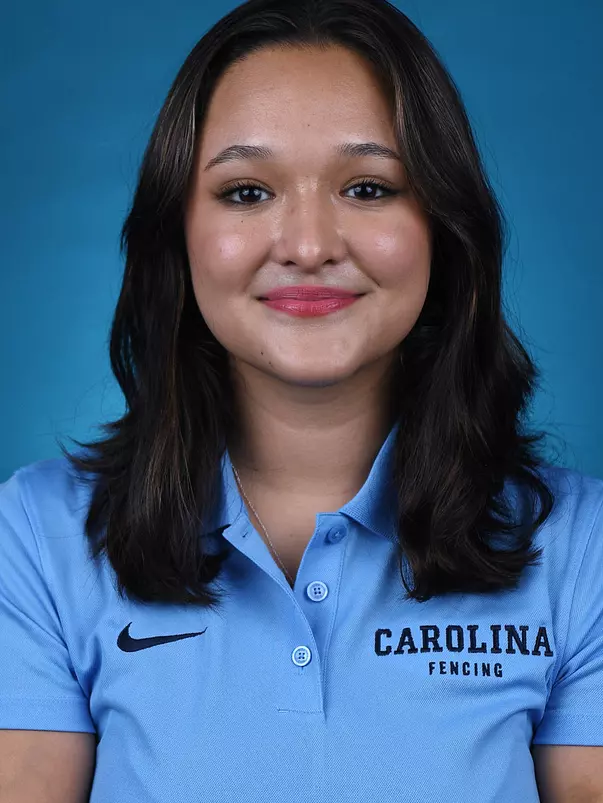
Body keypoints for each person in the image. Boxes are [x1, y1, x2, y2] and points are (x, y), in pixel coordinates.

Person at [1, 0, 602, 800]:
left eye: (367, 186)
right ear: (176, 231)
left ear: (442, 225)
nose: (310, 245)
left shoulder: (579, 551)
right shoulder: (38, 540)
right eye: (247, 192)